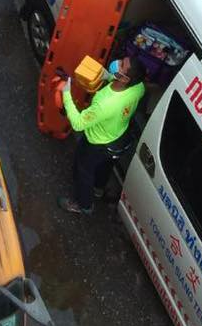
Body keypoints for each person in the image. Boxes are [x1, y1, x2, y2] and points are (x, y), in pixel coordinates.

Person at [57, 56, 146, 217]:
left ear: (124, 78)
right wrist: (109, 76)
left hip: (95, 143)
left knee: (84, 171)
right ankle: (98, 189)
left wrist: (66, 93)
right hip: (116, 136)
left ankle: (83, 205)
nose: (117, 62)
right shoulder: (138, 88)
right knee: (105, 166)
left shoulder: (104, 104)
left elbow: (78, 123)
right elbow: (123, 82)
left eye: (121, 65)